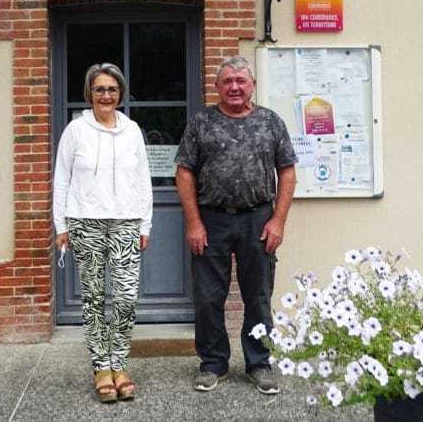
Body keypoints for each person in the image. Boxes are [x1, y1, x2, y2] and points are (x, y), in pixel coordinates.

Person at [175, 56, 297, 394]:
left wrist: (278, 220)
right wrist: (194, 223)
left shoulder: (271, 122)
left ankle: (259, 363)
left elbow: (287, 172)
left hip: (258, 219)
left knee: (258, 295)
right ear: (217, 87)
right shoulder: (200, 123)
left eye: (241, 81)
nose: (234, 87)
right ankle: (213, 363)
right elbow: (184, 173)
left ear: (252, 85)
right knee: (207, 297)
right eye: (227, 81)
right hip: (210, 218)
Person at [53, 63, 153, 403]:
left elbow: (143, 180)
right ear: (89, 94)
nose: (106, 95)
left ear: (120, 94)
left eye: (112, 89)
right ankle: (101, 367)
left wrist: (146, 223)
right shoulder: (75, 131)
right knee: (94, 300)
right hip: (85, 222)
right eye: (99, 89)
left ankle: (120, 362)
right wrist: (61, 226)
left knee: (125, 298)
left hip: (126, 221)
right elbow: (61, 179)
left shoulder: (133, 131)